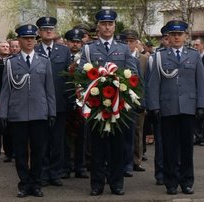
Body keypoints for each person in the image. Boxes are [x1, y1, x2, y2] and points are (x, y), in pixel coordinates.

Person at [79, 9, 137, 196]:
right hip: (96, 105)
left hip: (117, 107)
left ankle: (116, 183)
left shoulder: (124, 48)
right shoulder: (89, 48)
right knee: (97, 147)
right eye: (103, 24)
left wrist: (124, 92)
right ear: (98, 27)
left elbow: (132, 73)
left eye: (110, 24)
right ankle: (97, 184)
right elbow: (81, 75)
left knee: (117, 147)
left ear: (114, 26)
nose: (107, 27)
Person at [146, 19, 204, 195]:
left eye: (180, 34)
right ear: (168, 37)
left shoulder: (194, 55)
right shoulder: (159, 56)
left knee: (187, 147)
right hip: (168, 108)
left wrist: (201, 105)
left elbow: (201, 82)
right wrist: (154, 106)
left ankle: (187, 181)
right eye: (173, 35)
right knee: (169, 147)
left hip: (188, 107)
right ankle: (170, 182)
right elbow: (153, 84)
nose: (177, 37)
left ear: (185, 36)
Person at [0, 24, 56, 198]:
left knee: (39, 151)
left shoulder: (44, 61)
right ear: (20, 40)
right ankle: (24, 184)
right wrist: (3, 113)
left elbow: (49, 89)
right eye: (26, 38)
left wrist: (51, 111)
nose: (30, 41)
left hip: (40, 113)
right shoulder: (11, 62)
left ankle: (36, 183)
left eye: (32, 38)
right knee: (21, 152)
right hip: (18, 114)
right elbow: (5, 90)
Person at [35, 16, 71, 187]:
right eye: (44, 29)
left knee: (57, 140)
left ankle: (55, 173)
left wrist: (70, 100)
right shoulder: (34, 50)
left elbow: (69, 78)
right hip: (39, 104)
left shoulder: (64, 51)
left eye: (51, 29)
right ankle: (42, 173)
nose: (48, 32)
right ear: (39, 32)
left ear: (55, 32)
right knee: (41, 140)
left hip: (59, 102)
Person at [63, 28, 89, 179]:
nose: (75, 44)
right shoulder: (63, 56)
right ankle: (66, 166)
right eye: (72, 41)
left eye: (78, 42)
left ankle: (80, 166)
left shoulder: (85, 59)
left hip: (82, 102)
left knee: (82, 136)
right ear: (67, 42)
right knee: (65, 137)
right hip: (65, 100)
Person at [120, 29, 147, 174]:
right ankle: (122, 162)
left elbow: (142, 82)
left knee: (134, 132)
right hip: (118, 100)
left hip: (133, 101)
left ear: (136, 43)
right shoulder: (117, 56)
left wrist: (142, 102)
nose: (129, 44)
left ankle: (132, 162)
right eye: (126, 41)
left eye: (131, 41)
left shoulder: (141, 60)